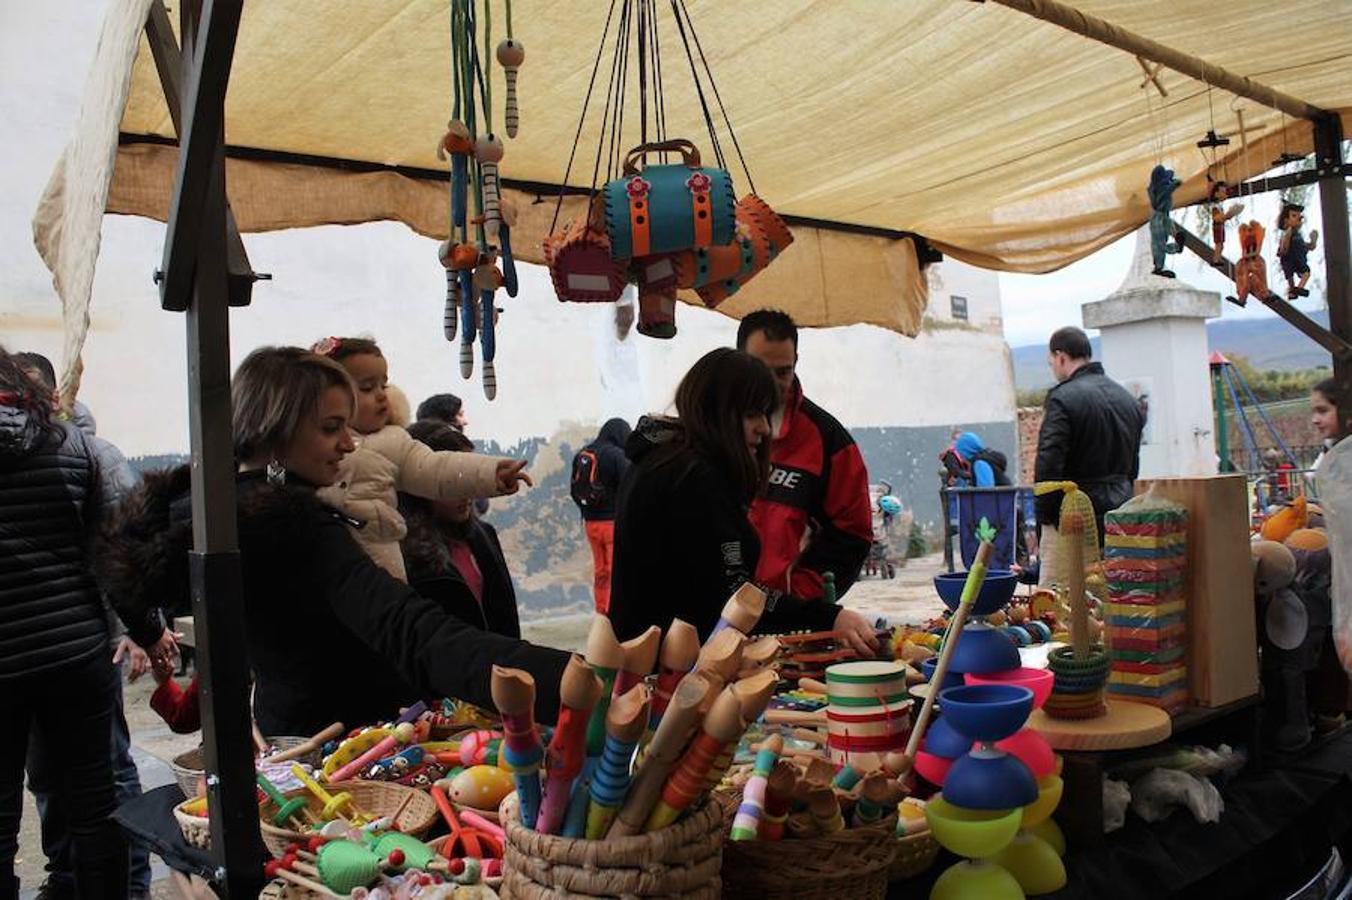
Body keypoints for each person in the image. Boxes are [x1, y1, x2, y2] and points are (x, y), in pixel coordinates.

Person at [99, 346, 570, 734]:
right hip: (344, 747)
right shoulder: (292, 525)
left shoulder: (212, 510)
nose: (349, 443)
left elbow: (126, 578)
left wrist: (146, 633)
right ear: (274, 427)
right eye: (331, 428)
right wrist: (563, 680)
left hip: (287, 728)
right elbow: (411, 632)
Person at [609, 348, 878, 656]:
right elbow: (735, 596)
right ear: (716, 410)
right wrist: (830, 617)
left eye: (766, 413)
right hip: (666, 673)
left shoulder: (664, 459)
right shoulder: (694, 477)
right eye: (752, 414)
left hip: (650, 660)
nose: (764, 428)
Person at [13, 352, 151, 899]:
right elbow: (116, 552)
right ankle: (78, 880)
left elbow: (121, 549)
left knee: (94, 779)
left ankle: (115, 883)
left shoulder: (90, 450)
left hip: (55, 652)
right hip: (67, 650)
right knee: (72, 788)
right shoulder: (67, 450)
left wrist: (136, 632)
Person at [309, 337, 530, 581]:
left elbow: (436, 468)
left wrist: (490, 473)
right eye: (366, 388)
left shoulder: (393, 441)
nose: (382, 396)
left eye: (384, 386)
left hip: (380, 558)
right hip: (320, 558)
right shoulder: (307, 443)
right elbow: (275, 478)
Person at [736, 310, 873, 607]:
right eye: (760, 369)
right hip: (712, 615)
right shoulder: (712, 430)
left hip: (785, 617)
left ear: (796, 362)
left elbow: (853, 534)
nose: (771, 383)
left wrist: (799, 596)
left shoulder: (829, 440)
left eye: (782, 372)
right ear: (738, 361)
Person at [1035, 327, 1145, 584]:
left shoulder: (1062, 398)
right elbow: (1133, 465)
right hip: (1119, 516)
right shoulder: (1127, 400)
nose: (1053, 368)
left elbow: (1048, 464)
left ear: (1061, 357)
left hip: (1073, 520)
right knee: (1111, 599)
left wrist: (1047, 519)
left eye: (1052, 362)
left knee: (1057, 602)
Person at [400, 420, 522, 638]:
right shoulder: (405, 552)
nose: (465, 493)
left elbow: (506, 618)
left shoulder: (483, 535)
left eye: (469, 479)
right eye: (453, 481)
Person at [569, 419, 632, 614]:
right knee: (617, 572)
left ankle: (602, 610)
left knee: (601, 571)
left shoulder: (583, 454)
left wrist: (587, 512)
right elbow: (629, 488)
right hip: (612, 525)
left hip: (591, 525)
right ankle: (617, 612)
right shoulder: (617, 456)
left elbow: (574, 490)